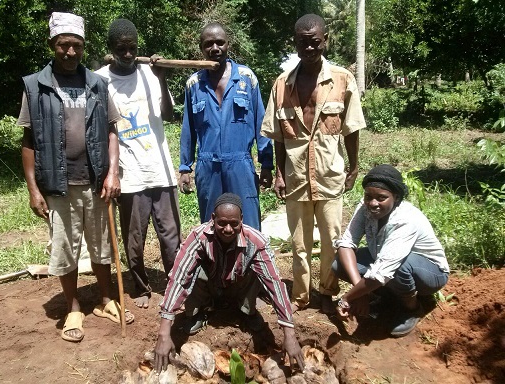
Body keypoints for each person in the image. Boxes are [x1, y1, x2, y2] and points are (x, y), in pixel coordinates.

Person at [18, 12, 134, 342]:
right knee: (66, 249)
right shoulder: (35, 86)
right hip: (58, 182)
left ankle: (106, 299)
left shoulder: (97, 83)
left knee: (101, 246)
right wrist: (32, 189)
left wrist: (112, 173)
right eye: (63, 45)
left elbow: (112, 131)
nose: (70, 52)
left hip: (97, 181)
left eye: (77, 46)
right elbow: (28, 142)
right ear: (52, 45)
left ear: (84, 47)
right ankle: (72, 307)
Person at [261, 14, 366, 314]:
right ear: (295, 43)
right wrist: (279, 174)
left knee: (332, 240)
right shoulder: (282, 84)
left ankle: (328, 293)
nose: (310, 48)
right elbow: (278, 136)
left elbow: (352, 128)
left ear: (325, 41)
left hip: (329, 175)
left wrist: (354, 166)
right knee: (299, 244)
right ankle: (300, 296)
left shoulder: (343, 79)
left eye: (315, 42)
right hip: (295, 177)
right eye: (303, 42)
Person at [153, 193, 304, 373]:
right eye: (222, 223)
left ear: (242, 220)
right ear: (213, 219)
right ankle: (198, 312)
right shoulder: (198, 237)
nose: (228, 229)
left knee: (258, 273)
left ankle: (246, 312)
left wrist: (289, 333)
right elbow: (178, 278)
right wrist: (164, 333)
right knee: (192, 272)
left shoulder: (256, 241)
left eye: (234, 223)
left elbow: (275, 284)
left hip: (238, 288)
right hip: (208, 288)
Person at [96, 19, 181, 309]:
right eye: (122, 49)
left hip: (161, 169)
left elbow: (168, 115)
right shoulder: (100, 80)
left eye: (133, 48)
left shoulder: (149, 73)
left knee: (171, 234)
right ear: (111, 49)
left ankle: (174, 283)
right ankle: (141, 287)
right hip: (128, 174)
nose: (129, 54)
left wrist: (162, 77)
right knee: (135, 237)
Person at [332, 164, 450, 337]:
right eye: (368, 196)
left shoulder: (405, 220)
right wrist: (359, 292)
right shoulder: (365, 207)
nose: (373, 203)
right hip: (385, 261)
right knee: (339, 265)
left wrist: (346, 299)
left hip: (429, 273)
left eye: (381, 198)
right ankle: (387, 298)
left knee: (400, 267)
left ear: (395, 197)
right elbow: (347, 243)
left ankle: (412, 308)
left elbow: (383, 271)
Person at [179, 22, 273, 230]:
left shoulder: (246, 78)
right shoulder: (194, 84)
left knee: (248, 224)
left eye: (220, 43)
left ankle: (249, 263)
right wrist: (185, 167)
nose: (215, 48)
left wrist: (267, 164)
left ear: (228, 44)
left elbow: (262, 124)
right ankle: (216, 263)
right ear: (201, 48)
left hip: (241, 164)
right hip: (208, 166)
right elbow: (188, 130)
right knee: (212, 225)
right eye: (208, 44)